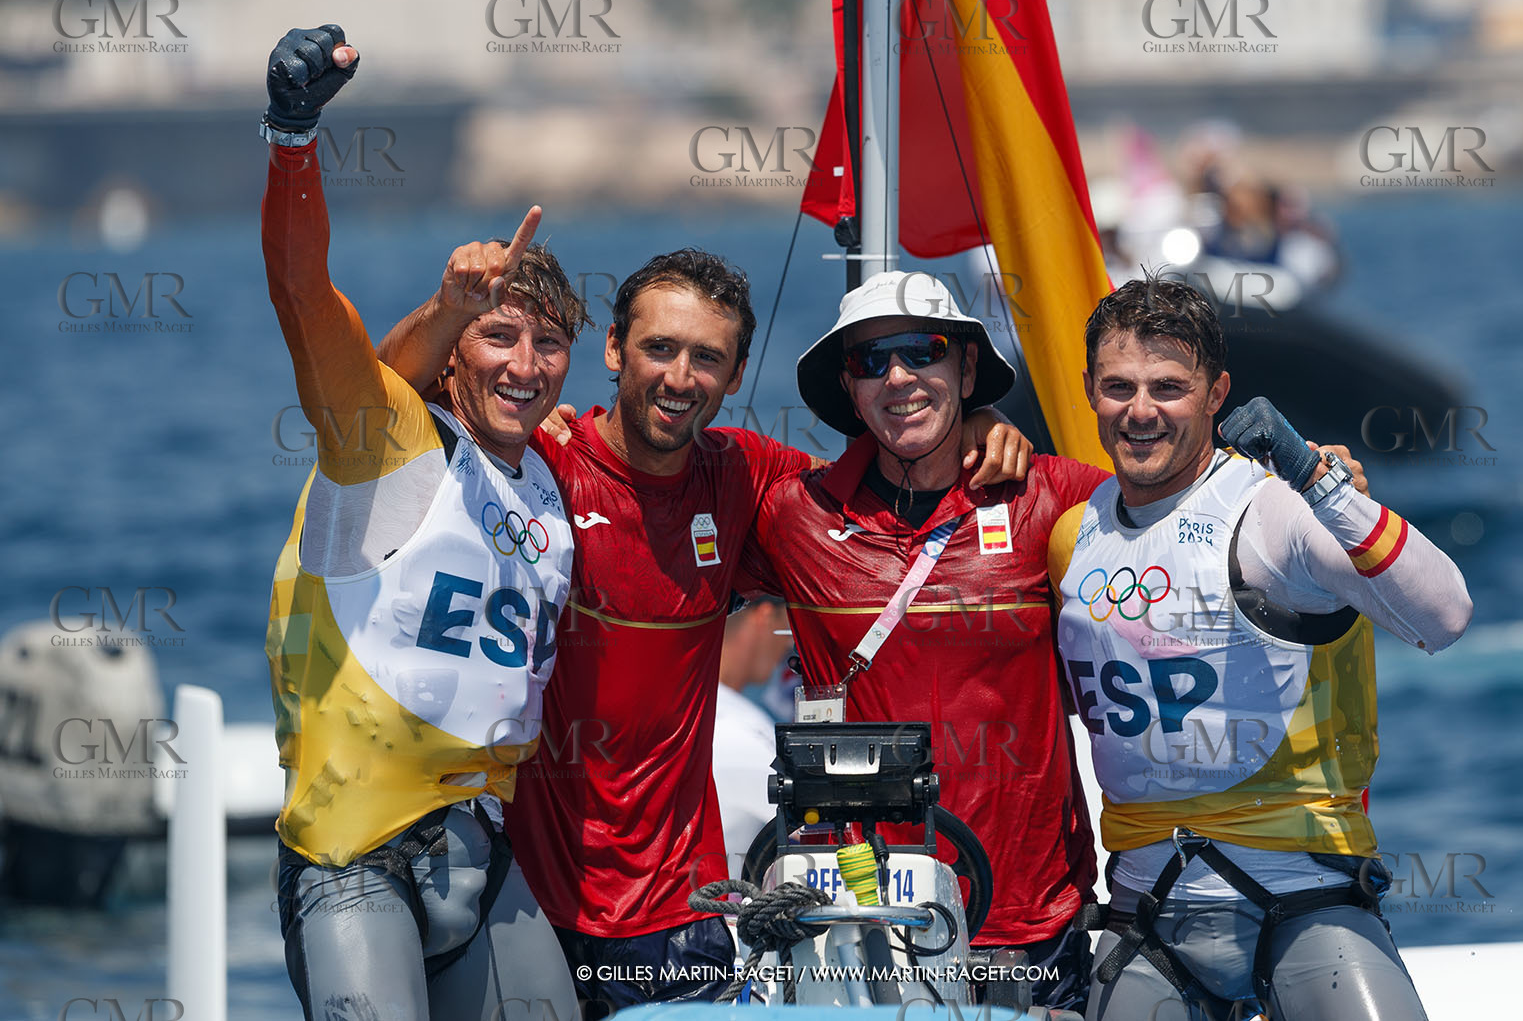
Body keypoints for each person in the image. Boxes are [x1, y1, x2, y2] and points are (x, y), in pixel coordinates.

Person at [377, 243, 1033, 1012]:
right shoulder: (540, 460)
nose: (680, 377)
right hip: (529, 901)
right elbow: (380, 396)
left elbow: (883, 489)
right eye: (659, 348)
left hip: (683, 916)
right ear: (616, 349)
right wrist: (450, 308)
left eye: (706, 357)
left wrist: (975, 421)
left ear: (736, 373)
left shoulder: (743, 476)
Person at [259, 25, 584, 1021]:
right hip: (356, 857)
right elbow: (303, 289)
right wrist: (294, 133)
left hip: (483, 862)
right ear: (450, 354)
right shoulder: (385, 441)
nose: (525, 365)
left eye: (549, 343)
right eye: (498, 335)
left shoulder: (550, 480)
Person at [1051, 276, 1473, 1020]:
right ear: (1087, 388)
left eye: (1169, 387)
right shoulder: (1068, 535)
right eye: (1119, 386)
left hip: (1306, 901)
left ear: (1217, 393)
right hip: (1147, 918)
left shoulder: (1275, 509)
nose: (1141, 410)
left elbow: (1444, 613)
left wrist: (1321, 481)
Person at [740, 270, 1115, 1012]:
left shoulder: (1052, 496)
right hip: (857, 913)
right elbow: (653, 491)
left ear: (967, 368)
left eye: (923, 351)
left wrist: (1307, 479)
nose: (898, 377)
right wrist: (564, 436)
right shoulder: (794, 513)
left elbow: (1184, 509)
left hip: (1027, 917)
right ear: (849, 388)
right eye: (870, 361)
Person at [713, 596, 791, 872]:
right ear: (765, 616)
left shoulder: (694, 714)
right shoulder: (734, 725)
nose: (788, 647)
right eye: (788, 629)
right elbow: (819, 832)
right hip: (713, 909)